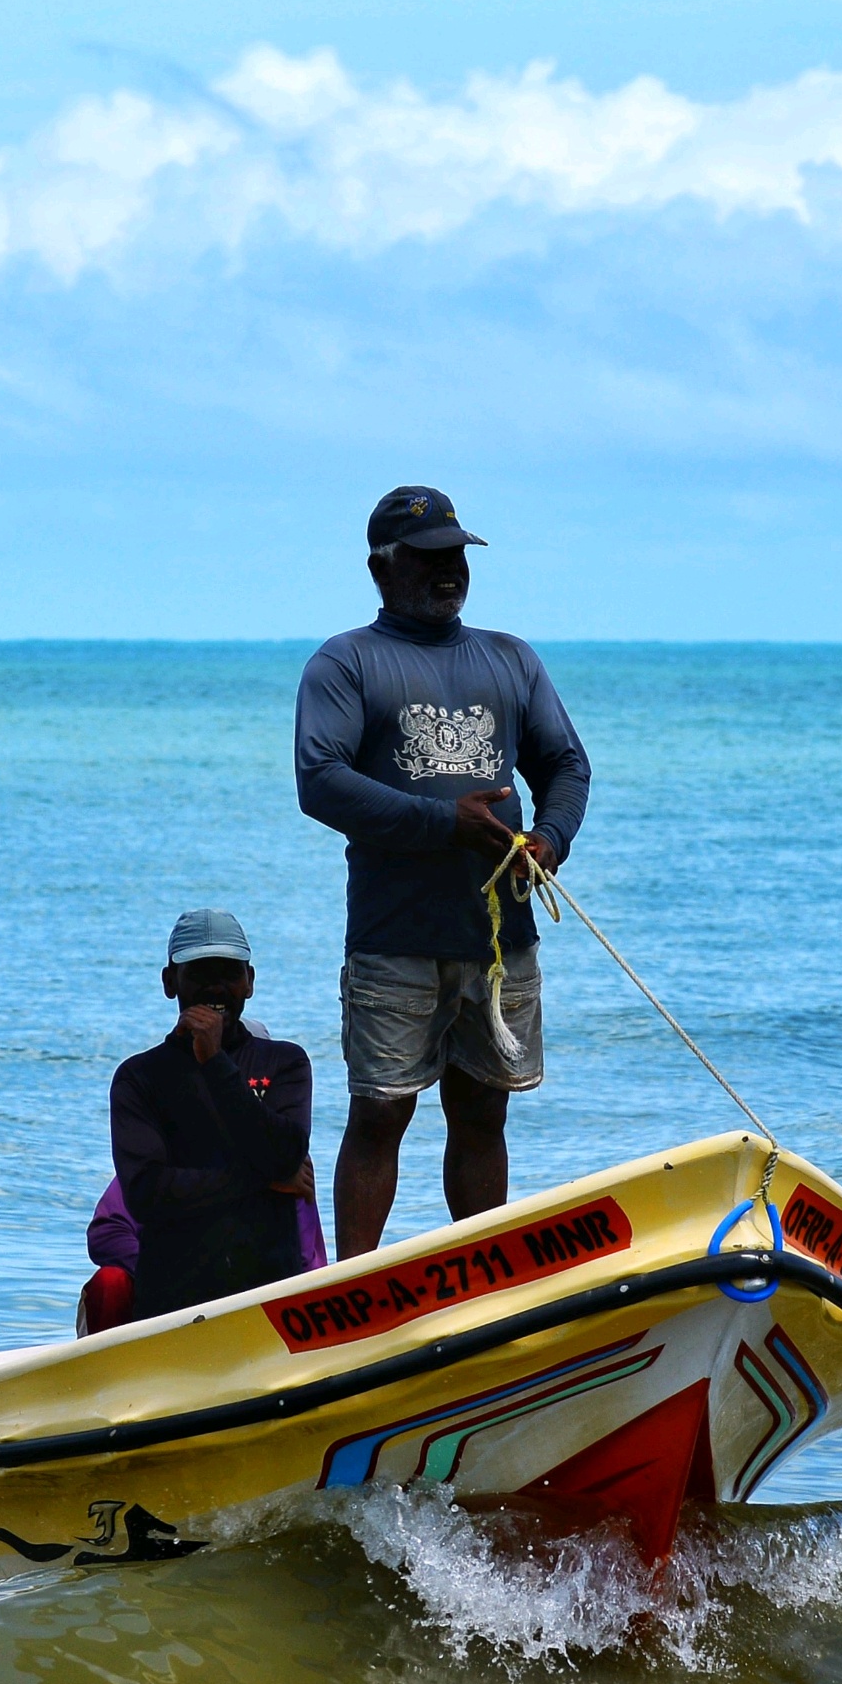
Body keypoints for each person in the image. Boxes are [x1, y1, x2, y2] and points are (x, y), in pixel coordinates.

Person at [295, 485, 592, 1258]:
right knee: (381, 1112)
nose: (448, 570)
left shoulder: (510, 657)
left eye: (457, 555)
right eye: (428, 558)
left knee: (483, 1111)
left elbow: (564, 764)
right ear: (381, 568)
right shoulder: (346, 661)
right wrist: (443, 822)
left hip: (499, 937)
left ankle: (482, 1277)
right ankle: (355, 1285)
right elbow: (320, 781)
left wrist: (549, 839)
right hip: (394, 934)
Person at [105, 909, 320, 1320]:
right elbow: (148, 1194)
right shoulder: (138, 1078)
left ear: (249, 981)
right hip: (174, 1305)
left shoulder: (285, 1062)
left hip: (272, 1298)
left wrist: (216, 1063)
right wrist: (263, 1181)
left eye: (229, 973)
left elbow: (284, 1153)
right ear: (170, 982)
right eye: (200, 974)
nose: (216, 986)